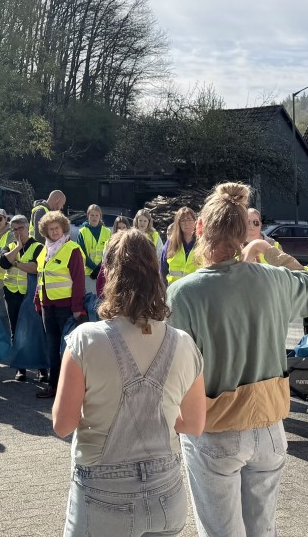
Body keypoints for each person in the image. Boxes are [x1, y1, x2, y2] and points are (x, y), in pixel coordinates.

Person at [167, 181, 308, 537]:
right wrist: (270, 252)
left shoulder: (182, 293)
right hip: (269, 427)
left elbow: (170, 370)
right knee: (262, 530)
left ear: (201, 228)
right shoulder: (272, 279)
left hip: (214, 428)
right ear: (243, 234)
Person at [54, 228, 206, 537]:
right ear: (155, 273)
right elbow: (193, 424)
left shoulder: (85, 339)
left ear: (108, 273)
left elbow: (62, 424)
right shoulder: (183, 343)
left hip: (101, 494)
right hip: (167, 491)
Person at [35, 210, 87, 400]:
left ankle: (70, 390)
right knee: (52, 348)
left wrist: (77, 308)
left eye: (57, 228)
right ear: (46, 232)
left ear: (63, 228)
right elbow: (41, 277)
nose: (54, 232)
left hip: (66, 308)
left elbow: (78, 281)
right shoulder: (44, 251)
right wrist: (37, 300)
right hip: (47, 306)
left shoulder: (72, 249)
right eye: (51, 229)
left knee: (68, 350)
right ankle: (54, 386)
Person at [0, 214, 46, 382]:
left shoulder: (38, 247)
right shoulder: (11, 246)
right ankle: (21, 368)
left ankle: (42, 369)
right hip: (12, 293)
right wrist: (17, 249)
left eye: (21, 228)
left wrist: (17, 263)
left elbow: (35, 267)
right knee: (15, 331)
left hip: (32, 294)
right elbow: (4, 263)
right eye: (15, 229)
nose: (18, 232)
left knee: (37, 330)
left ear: (28, 228)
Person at [76, 205, 110, 298]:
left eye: (96, 215)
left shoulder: (107, 232)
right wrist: (94, 268)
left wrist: (99, 269)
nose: (94, 217)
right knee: (90, 300)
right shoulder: (82, 232)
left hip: (103, 272)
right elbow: (81, 253)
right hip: (88, 273)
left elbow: (110, 252)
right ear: (88, 216)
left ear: (100, 216)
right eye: (92, 215)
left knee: (103, 299)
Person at [161, 207, 199, 287]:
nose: (186, 223)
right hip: (174, 291)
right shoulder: (170, 243)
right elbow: (163, 270)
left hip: (195, 292)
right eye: (183, 220)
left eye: (189, 219)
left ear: (195, 221)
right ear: (178, 224)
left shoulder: (202, 243)